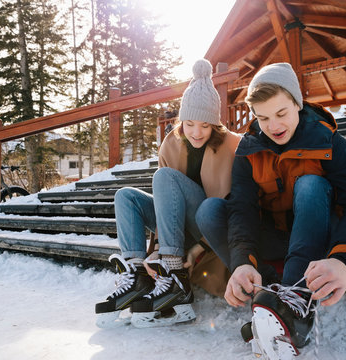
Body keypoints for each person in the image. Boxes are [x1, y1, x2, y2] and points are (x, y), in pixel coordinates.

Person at [204, 63, 346, 357]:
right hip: (278, 240)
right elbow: (242, 210)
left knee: (311, 184)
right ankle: (269, 294)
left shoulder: (330, 142)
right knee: (210, 211)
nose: (273, 126)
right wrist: (242, 262)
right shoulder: (248, 151)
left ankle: (296, 302)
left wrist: (344, 261)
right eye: (262, 118)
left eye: (281, 114)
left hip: (322, 238)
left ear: (297, 104)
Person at [95, 59, 241, 329]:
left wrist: (196, 249)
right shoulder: (171, 143)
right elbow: (166, 203)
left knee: (164, 176)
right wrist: (157, 251)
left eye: (205, 125)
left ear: (215, 125)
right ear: (182, 120)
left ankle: (174, 275)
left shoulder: (234, 146)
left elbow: (236, 207)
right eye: (190, 124)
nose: (197, 132)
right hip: (177, 224)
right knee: (125, 196)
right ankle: (137, 275)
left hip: (210, 224)